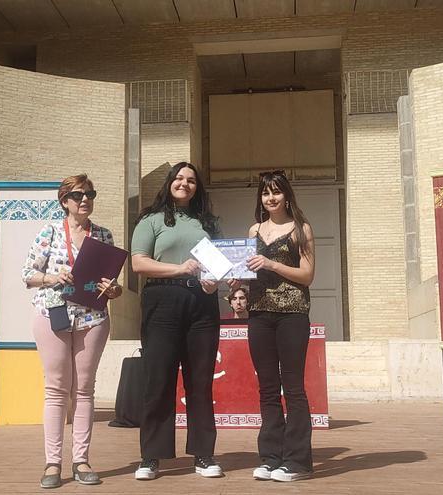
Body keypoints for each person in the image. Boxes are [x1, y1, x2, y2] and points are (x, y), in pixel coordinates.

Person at [21, 174, 122, 489]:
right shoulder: (49, 233)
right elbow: (27, 273)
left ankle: (81, 460)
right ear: (64, 200)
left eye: (90, 194)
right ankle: (53, 463)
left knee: (84, 389)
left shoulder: (103, 235)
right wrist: (52, 278)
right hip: (54, 314)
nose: (85, 200)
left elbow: (110, 282)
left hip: (92, 317)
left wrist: (114, 290)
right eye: (78, 195)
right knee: (56, 389)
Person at [130, 162, 224, 480]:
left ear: (198, 187)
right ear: (170, 183)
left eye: (192, 180)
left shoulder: (207, 222)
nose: (185, 183)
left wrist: (214, 281)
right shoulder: (150, 219)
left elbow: (218, 266)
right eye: (179, 178)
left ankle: (204, 455)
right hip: (162, 301)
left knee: (200, 382)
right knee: (158, 380)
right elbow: (139, 263)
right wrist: (179, 269)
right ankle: (151, 457)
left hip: (202, 304)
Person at [237, 169, 316, 482]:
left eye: (276, 192)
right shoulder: (254, 229)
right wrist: (236, 279)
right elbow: (247, 270)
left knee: (293, 387)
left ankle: (298, 461)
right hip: (259, 315)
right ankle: (271, 457)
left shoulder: (301, 229)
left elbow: (308, 275)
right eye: (265, 193)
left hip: (293, 314)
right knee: (267, 387)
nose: (271, 198)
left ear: (286, 195)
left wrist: (271, 264)